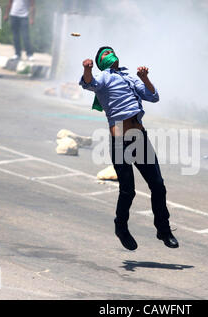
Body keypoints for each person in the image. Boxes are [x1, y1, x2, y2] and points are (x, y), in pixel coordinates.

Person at [79, 46, 179, 250]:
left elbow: (153, 96)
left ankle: (163, 229)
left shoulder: (129, 77)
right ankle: (121, 227)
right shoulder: (104, 78)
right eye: (105, 54)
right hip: (120, 140)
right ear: (100, 61)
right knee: (128, 191)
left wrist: (144, 78)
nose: (110, 55)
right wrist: (87, 69)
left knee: (158, 185)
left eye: (111, 51)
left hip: (139, 137)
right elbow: (89, 83)